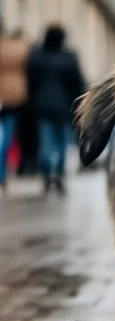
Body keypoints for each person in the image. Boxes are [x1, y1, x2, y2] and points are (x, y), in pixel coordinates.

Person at [27, 24, 85, 195]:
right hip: (64, 107)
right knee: (61, 144)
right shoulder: (69, 57)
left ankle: (47, 173)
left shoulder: (37, 56)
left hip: (42, 106)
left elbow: (31, 82)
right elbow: (77, 84)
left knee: (46, 142)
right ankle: (58, 173)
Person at [0, 24, 29, 196]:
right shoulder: (23, 49)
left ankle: (2, 173)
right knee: (7, 138)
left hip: (3, 96)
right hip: (14, 98)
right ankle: (2, 174)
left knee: (3, 138)